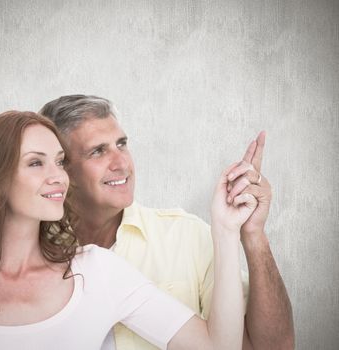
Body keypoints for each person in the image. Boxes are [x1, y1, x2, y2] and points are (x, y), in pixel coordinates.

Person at [0, 111, 256, 349]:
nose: (58, 176)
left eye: (60, 161)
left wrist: (226, 231)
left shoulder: (98, 271)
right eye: (36, 162)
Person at [39, 95, 295, 350]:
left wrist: (253, 234)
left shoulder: (189, 237)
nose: (122, 163)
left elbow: (273, 348)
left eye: (122, 144)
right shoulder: (32, 252)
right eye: (98, 151)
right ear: (62, 169)